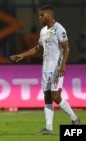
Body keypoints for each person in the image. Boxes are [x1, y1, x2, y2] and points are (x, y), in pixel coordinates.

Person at [10, 5, 80, 135]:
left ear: (49, 15)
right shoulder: (43, 31)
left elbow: (66, 48)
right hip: (46, 68)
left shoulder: (59, 29)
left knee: (55, 96)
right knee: (47, 96)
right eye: (39, 15)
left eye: (42, 14)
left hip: (56, 68)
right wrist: (23, 55)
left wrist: (63, 66)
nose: (40, 17)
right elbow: (38, 48)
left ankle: (74, 118)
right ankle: (49, 128)